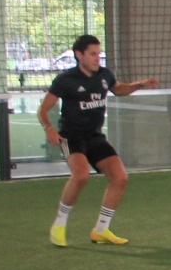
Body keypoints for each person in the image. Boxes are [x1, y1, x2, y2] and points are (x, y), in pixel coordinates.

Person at [37, 34, 158, 247]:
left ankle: (101, 230)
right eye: (92, 54)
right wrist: (48, 128)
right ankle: (59, 224)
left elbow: (118, 89)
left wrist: (140, 84)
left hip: (95, 136)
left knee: (120, 178)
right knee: (81, 175)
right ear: (79, 55)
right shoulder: (66, 80)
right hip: (71, 137)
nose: (97, 58)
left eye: (98, 54)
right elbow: (43, 109)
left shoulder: (104, 75)